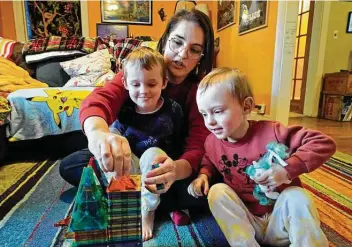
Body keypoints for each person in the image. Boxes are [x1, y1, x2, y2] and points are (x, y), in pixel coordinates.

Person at [59, 9, 214, 241]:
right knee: (70, 165)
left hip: (163, 163)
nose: (182, 55)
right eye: (177, 42)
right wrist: (99, 135)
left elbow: (197, 146)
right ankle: (159, 202)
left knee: (204, 189)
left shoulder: (198, 90)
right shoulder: (138, 68)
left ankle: (140, 200)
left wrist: (175, 171)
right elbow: (100, 99)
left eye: (194, 50)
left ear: (203, 56)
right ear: (165, 40)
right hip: (128, 156)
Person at [188, 67, 336, 247]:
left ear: (246, 106)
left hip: (281, 223)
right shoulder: (211, 142)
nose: (209, 121)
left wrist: (286, 170)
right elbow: (209, 159)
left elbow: (323, 143)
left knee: (298, 196)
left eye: (217, 111)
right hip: (247, 225)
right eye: (204, 114)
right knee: (217, 191)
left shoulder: (273, 132)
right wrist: (204, 175)